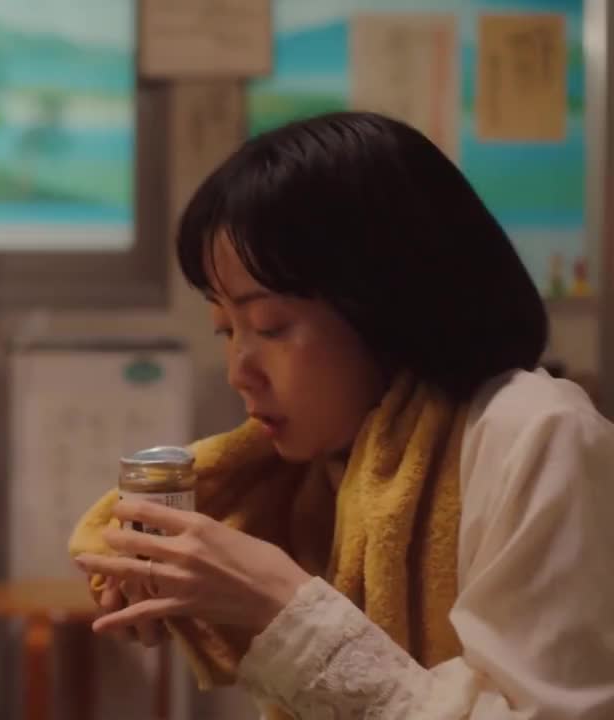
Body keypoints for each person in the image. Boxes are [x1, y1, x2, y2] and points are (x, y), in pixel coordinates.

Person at [73, 112, 614, 718]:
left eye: (270, 327)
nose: (238, 372)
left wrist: (286, 610)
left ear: (384, 302)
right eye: (226, 329)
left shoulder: (536, 434)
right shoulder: (316, 476)